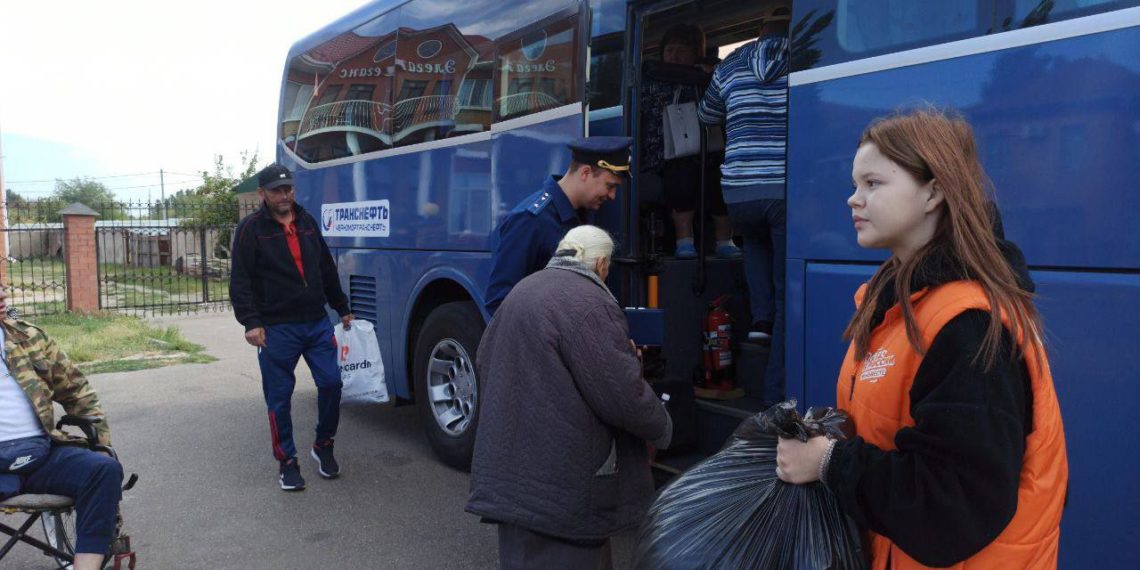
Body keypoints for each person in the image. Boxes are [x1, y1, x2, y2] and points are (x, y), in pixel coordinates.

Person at [775, 109, 1068, 569]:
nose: (853, 200)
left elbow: (951, 506)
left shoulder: (968, 324)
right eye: (854, 185)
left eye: (873, 184)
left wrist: (830, 461)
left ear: (933, 192)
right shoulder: (897, 304)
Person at [468, 225, 673, 569]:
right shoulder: (590, 303)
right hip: (563, 490)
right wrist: (662, 426)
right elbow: (622, 395)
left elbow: (484, 358)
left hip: (511, 478)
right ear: (602, 265)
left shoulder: (523, 289)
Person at [230, 163, 354, 491]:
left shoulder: (307, 222)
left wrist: (341, 307)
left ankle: (323, 446)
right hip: (276, 329)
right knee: (279, 397)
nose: (284, 195)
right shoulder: (250, 230)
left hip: (315, 322)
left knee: (331, 384)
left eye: (288, 189)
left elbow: (326, 268)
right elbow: (240, 280)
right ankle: (287, 461)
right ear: (263, 194)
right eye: (276, 190)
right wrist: (251, 322)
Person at [698, 7, 790, 405]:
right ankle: (775, 395)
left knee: (753, 243)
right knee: (791, 289)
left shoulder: (733, 63)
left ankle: (760, 321)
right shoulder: (804, 55)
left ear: (760, 27)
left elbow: (705, 114)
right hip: (783, 189)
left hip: (739, 191)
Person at [0, 289, 124, 570]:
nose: (2, 293)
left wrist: (101, 444)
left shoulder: (28, 336)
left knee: (103, 470)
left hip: (39, 455)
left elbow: (77, 390)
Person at [483, 137, 631, 317]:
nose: (612, 196)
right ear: (585, 173)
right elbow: (499, 302)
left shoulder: (586, 213)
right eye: (610, 186)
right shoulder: (530, 221)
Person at [639, 24, 740, 259]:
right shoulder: (650, 77)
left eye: (681, 50)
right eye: (669, 49)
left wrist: (707, 75)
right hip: (664, 154)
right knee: (681, 171)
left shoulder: (711, 76)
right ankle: (684, 241)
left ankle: (725, 241)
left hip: (706, 149)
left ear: (695, 52)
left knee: (720, 172)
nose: (673, 55)